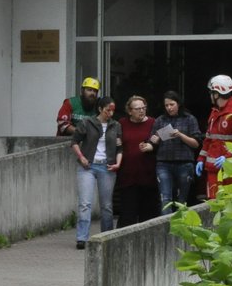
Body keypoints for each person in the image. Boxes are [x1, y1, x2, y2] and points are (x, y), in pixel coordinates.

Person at [70, 96, 122, 249]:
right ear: (100, 109)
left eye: (112, 111)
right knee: (85, 203)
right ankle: (82, 238)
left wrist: (118, 163)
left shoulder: (116, 125)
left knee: (106, 205)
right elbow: (74, 142)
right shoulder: (87, 122)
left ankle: (106, 236)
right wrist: (81, 157)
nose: (110, 114)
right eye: (107, 110)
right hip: (88, 166)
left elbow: (120, 147)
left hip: (107, 166)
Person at [197, 74, 232, 199]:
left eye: (211, 92)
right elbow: (209, 139)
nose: (210, 95)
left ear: (217, 93)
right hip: (213, 169)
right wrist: (200, 160)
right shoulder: (215, 112)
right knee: (214, 205)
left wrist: (228, 158)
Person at [150, 90, 201, 211]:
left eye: (171, 104)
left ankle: (180, 228)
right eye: (166, 105)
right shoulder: (160, 120)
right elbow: (152, 141)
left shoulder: (189, 119)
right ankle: (166, 228)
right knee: (165, 199)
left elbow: (196, 144)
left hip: (184, 163)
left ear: (178, 104)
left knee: (181, 200)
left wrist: (180, 135)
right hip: (164, 163)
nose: (169, 108)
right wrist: (154, 140)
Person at [115, 95, 160, 226]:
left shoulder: (153, 122)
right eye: (138, 108)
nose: (141, 111)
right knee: (127, 215)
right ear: (130, 111)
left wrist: (152, 146)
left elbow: (165, 140)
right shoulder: (122, 123)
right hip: (128, 176)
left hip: (148, 176)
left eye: (143, 108)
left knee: (148, 215)